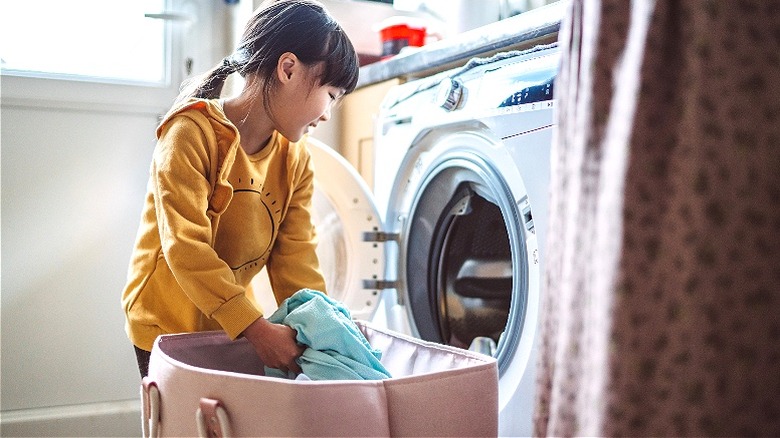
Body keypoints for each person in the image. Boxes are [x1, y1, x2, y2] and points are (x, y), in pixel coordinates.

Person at [121, 0, 359, 378]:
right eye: (330, 95)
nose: (328, 113)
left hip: (228, 323)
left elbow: (295, 257)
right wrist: (257, 329)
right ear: (288, 69)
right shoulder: (190, 134)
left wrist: (324, 324)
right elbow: (186, 247)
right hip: (164, 324)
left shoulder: (295, 159)